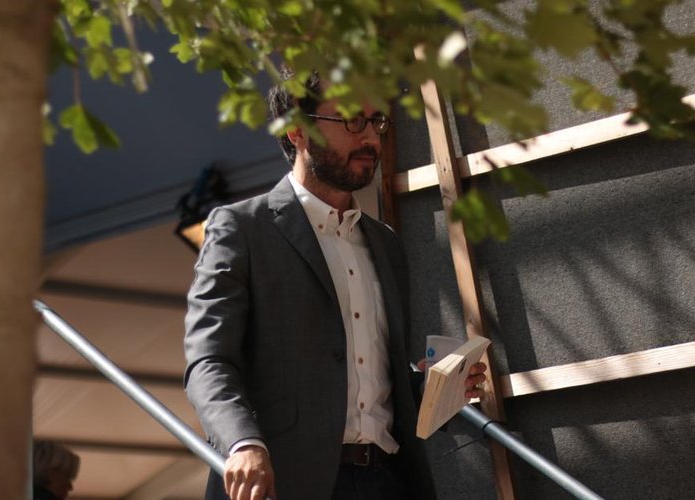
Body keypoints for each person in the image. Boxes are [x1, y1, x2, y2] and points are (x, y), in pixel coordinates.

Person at [184, 70, 487, 500]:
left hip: (389, 481)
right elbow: (208, 360)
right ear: (297, 130)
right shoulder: (242, 229)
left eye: (376, 121)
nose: (370, 138)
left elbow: (371, 378)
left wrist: (433, 388)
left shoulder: (385, 243)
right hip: (287, 481)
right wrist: (242, 442)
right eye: (352, 120)